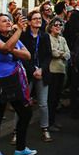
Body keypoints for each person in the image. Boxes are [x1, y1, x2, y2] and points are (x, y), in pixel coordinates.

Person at [0, 14, 36, 155]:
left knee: (26, 112)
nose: (8, 22)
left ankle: (20, 148)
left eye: (9, 20)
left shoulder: (14, 39)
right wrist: (19, 31)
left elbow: (27, 55)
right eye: (3, 21)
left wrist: (12, 49)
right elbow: (6, 47)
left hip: (14, 81)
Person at [19, 10, 52, 143]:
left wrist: (41, 69)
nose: (38, 20)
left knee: (43, 104)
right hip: (28, 73)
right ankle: (17, 130)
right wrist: (33, 69)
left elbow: (48, 55)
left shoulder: (45, 36)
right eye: (35, 19)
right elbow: (21, 56)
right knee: (23, 103)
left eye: (39, 18)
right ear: (30, 21)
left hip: (42, 73)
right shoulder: (23, 36)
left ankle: (45, 128)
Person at [45, 18, 69, 132]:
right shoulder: (47, 38)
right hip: (52, 70)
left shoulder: (63, 39)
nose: (58, 27)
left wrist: (61, 54)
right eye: (55, 25)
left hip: (61, 70)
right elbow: (52, 52)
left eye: (60, 25)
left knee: (56, 98)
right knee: (51, 98)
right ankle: (48, 122)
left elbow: (68, 54)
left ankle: (53, 121)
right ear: (50, 26)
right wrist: (61, 54)